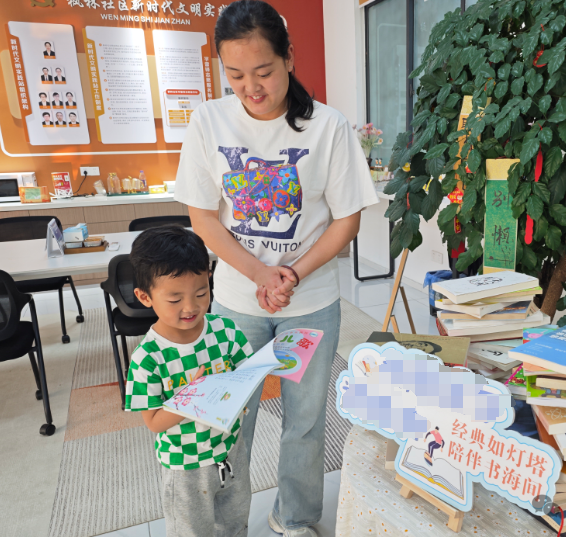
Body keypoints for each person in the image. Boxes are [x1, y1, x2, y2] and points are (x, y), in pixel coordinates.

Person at [173, 2, 378, 535]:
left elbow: (345, 221)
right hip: (237, 307)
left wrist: (290, 274)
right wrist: (262, 275)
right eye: (235, 75)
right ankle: (225, 526)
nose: (251, 87)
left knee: (304, 425)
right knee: (227, 424)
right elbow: (204, 220)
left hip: (308, 308)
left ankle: (296, 519)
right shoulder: (207, 121)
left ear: (289, 58)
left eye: (263, 72)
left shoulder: (327, 127)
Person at [125, 226, 257, 537]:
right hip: (186, 465)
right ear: (145, 297)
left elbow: (247, 375)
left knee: (236, 519)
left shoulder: (224, 330)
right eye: (174, 299)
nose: (191, 307)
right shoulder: (148, 357)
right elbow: (155, 422)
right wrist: (193, 397)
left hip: (230, 449)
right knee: (191, 530)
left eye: (201, 293)